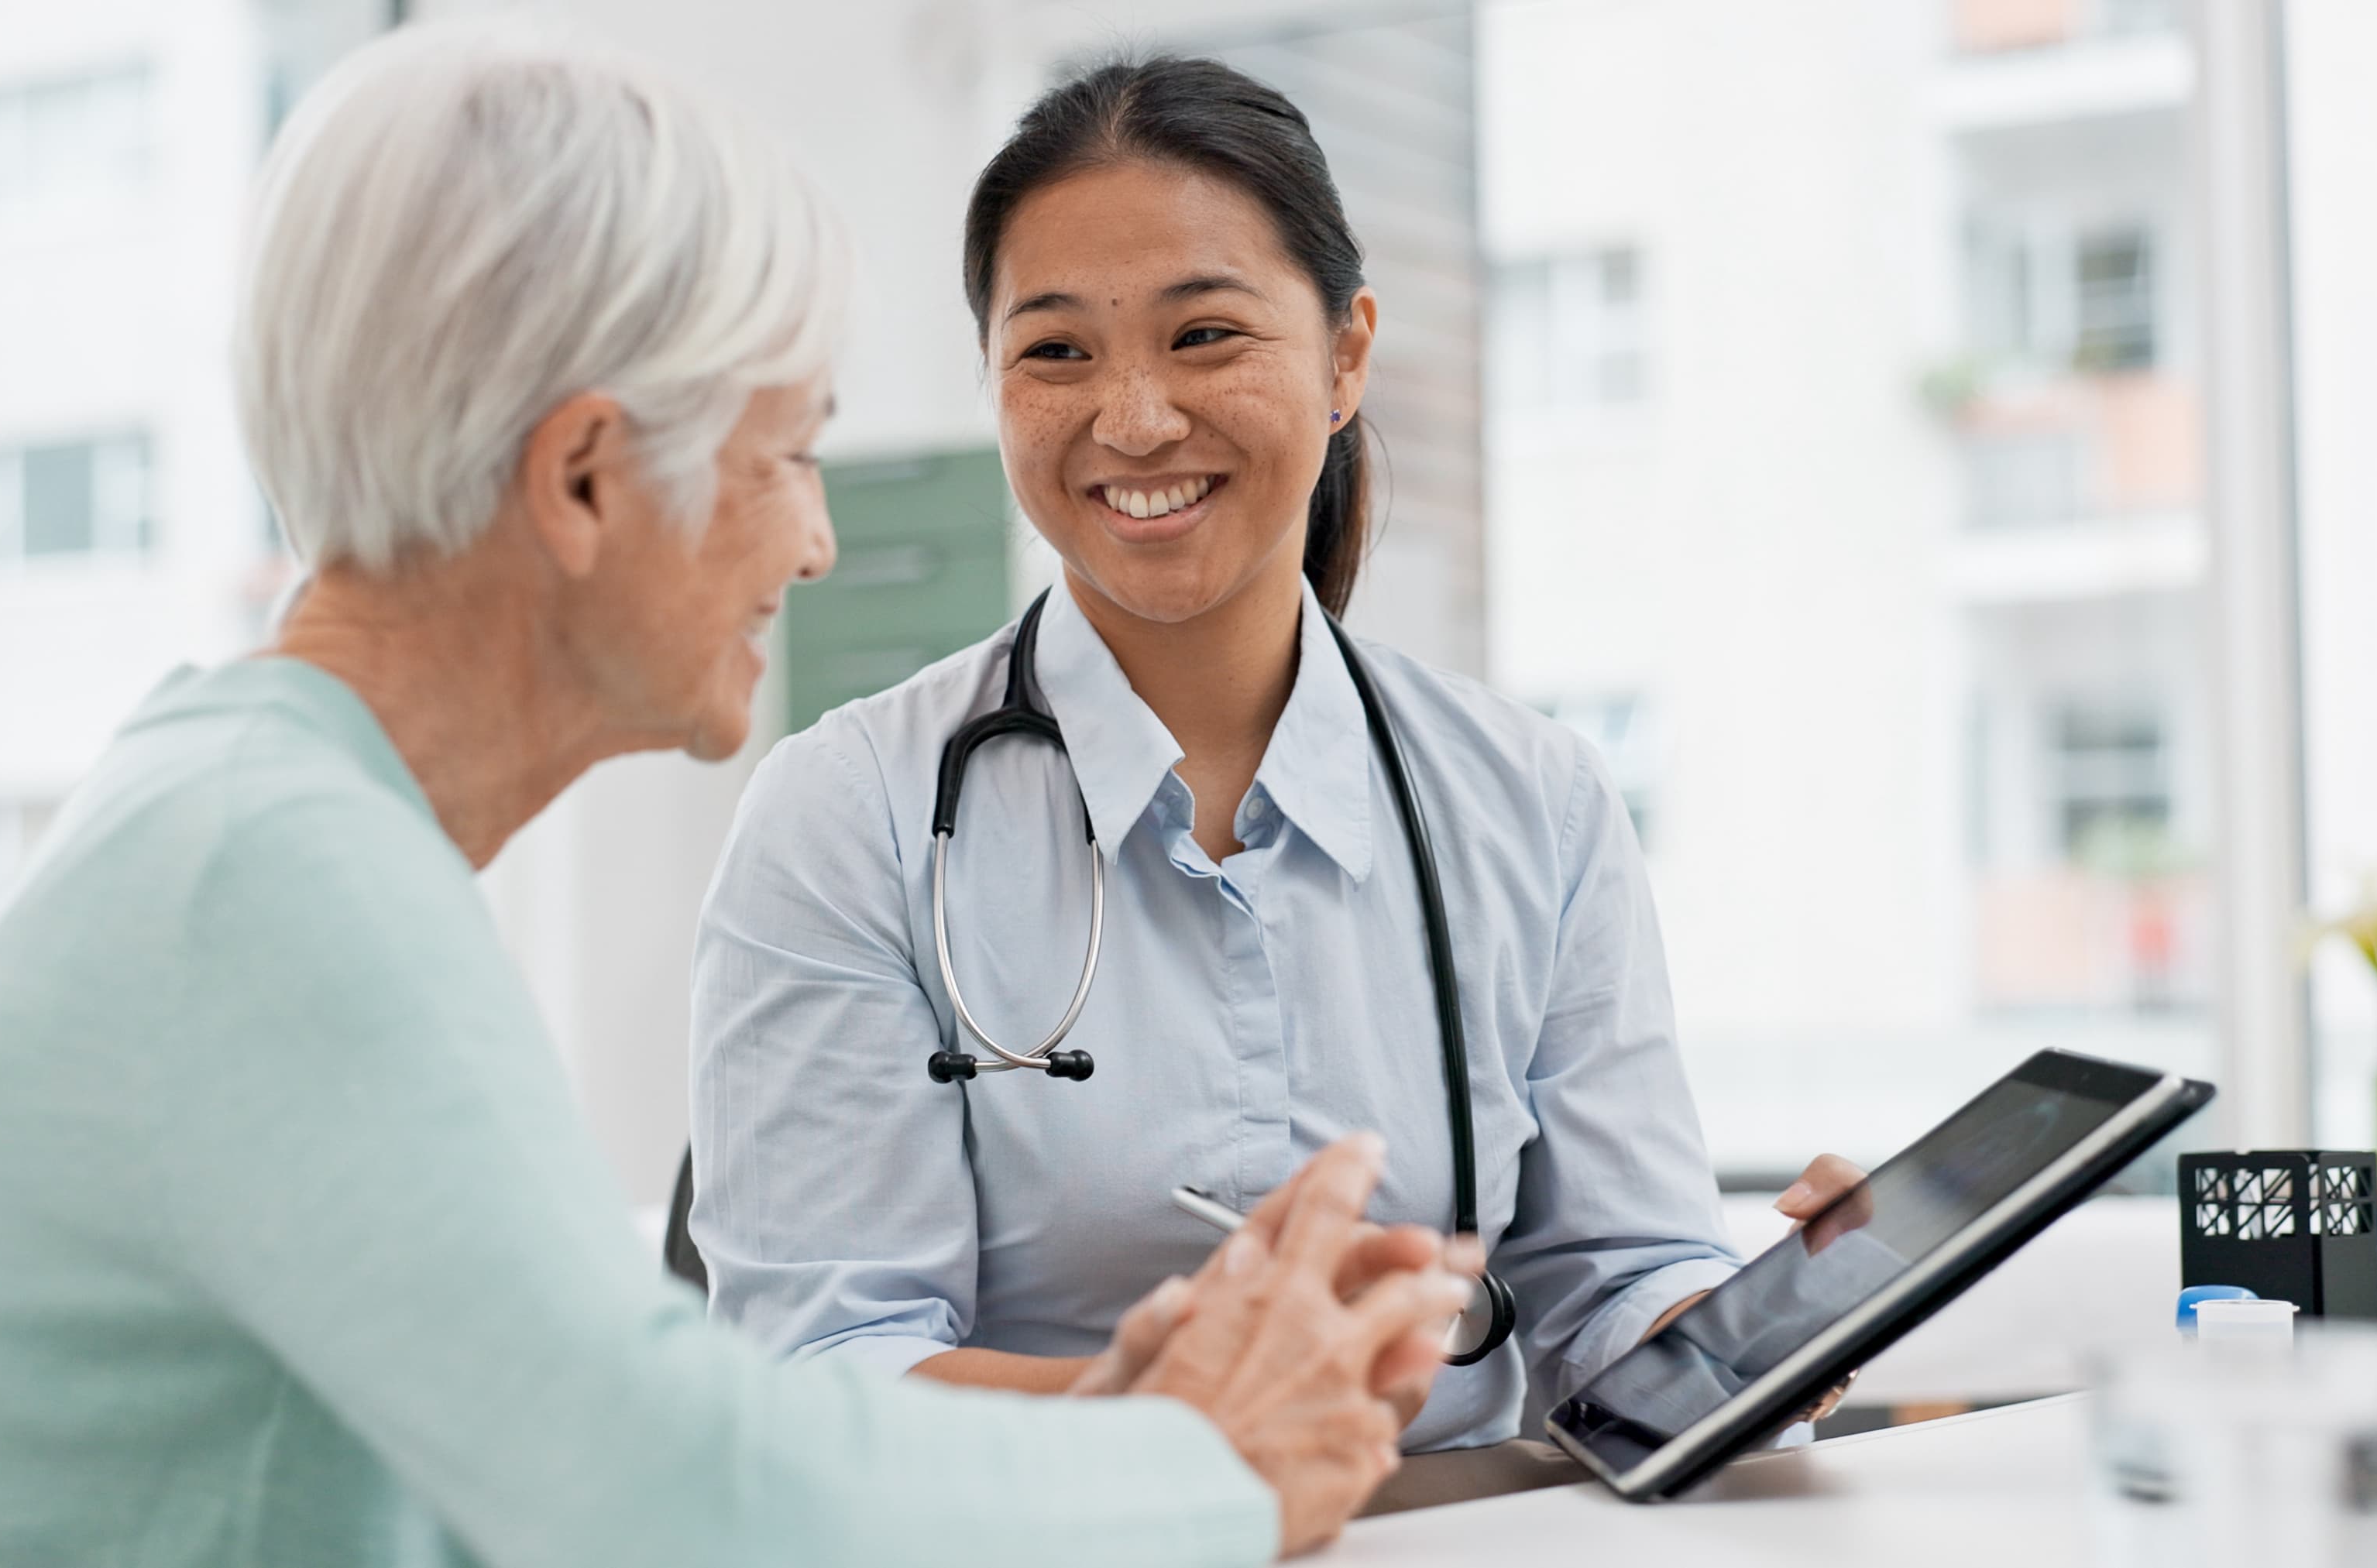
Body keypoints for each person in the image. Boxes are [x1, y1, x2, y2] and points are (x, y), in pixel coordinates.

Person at [0, 23, 1477, 1566]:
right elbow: (668, 1495)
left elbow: (641, 1427)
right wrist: (1213, 1470)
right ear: (583, 481)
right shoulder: (268, 880)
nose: (815, 541)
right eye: (785, 455)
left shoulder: (253, 824)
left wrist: (1141, 1420)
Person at [687, 55, 1857, 1458]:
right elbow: (819, 1375)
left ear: (1347, 354)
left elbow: (1619, 1288)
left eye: (1204, 336)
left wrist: (1774, 1331)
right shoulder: (846, 819)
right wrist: (1195, 1422)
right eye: (1057, 351)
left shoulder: (1533, 802)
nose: (1132, 419)